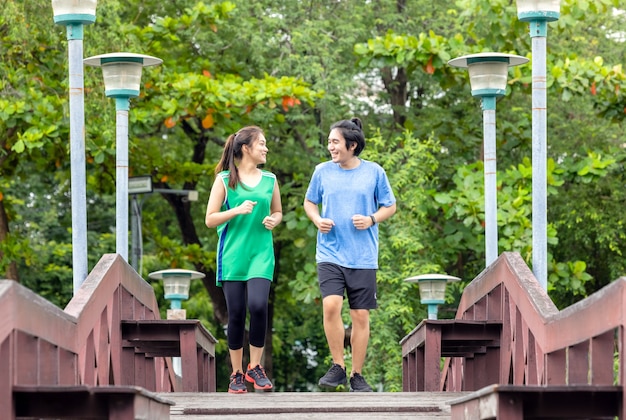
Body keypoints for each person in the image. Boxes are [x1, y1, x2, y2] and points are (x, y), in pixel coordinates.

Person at [304, 117, 397, 392]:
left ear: (352, 145)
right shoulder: (322, 171)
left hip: (363, 256)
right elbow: (309, 202)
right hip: (330, 252)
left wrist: (371, 219)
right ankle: (338, 366)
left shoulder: (374, 172)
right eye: (330, 142)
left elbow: (389, 206)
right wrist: (316, 219)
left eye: (335, 142)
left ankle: (356, 374)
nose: (330, 146)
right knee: (331, 305)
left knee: (360, 316)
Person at [205, 126, 282, 394]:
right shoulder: (225, 180)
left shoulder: (270, 180)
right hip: (233, 256)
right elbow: (210, 218)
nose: (266, 148)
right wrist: (236, 210)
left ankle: (255, 368)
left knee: (259, 306)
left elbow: (278, 211)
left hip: (261, 254)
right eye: (262, 144)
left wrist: (274, 220)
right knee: (236, 314)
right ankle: (236, 373)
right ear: (246, 148)